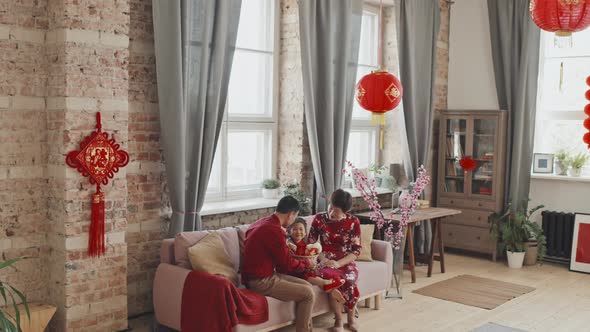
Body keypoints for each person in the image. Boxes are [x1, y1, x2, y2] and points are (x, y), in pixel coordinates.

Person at [241, 196, 317, 332]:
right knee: (308, 294)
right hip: (260, 281)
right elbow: (286, 264)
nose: (293, 221)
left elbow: (282, 262)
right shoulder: (274, 230)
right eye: (295, 217)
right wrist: (306, 264)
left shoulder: (263, 222)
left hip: (264, 274)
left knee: (307, 285)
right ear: (290, 215)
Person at [309, 189, 362, 332]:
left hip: (345, 261)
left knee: (350, 280)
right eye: (331, 207)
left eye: (336, 211)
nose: (332, 212)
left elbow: (356, 250)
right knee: (334, 281)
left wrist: (339, 263)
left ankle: (351, 319)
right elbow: (311, 245)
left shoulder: (353, 222)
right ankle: (338, 320)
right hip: (324, 261)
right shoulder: (319, 219)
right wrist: (323, 259)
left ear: (345, 211)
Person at [285, 218, 346, 298]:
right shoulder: (288, 244)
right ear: (289, 231)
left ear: (305, 232)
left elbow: (314, 255)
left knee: (322, 269)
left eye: (301, 229)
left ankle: (330, 286)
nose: (298, 232)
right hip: (295, 269)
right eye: (295, 229)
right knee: (308, 275)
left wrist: (315, 262)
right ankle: (326, 283)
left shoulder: (307, 243)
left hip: (308, 267)